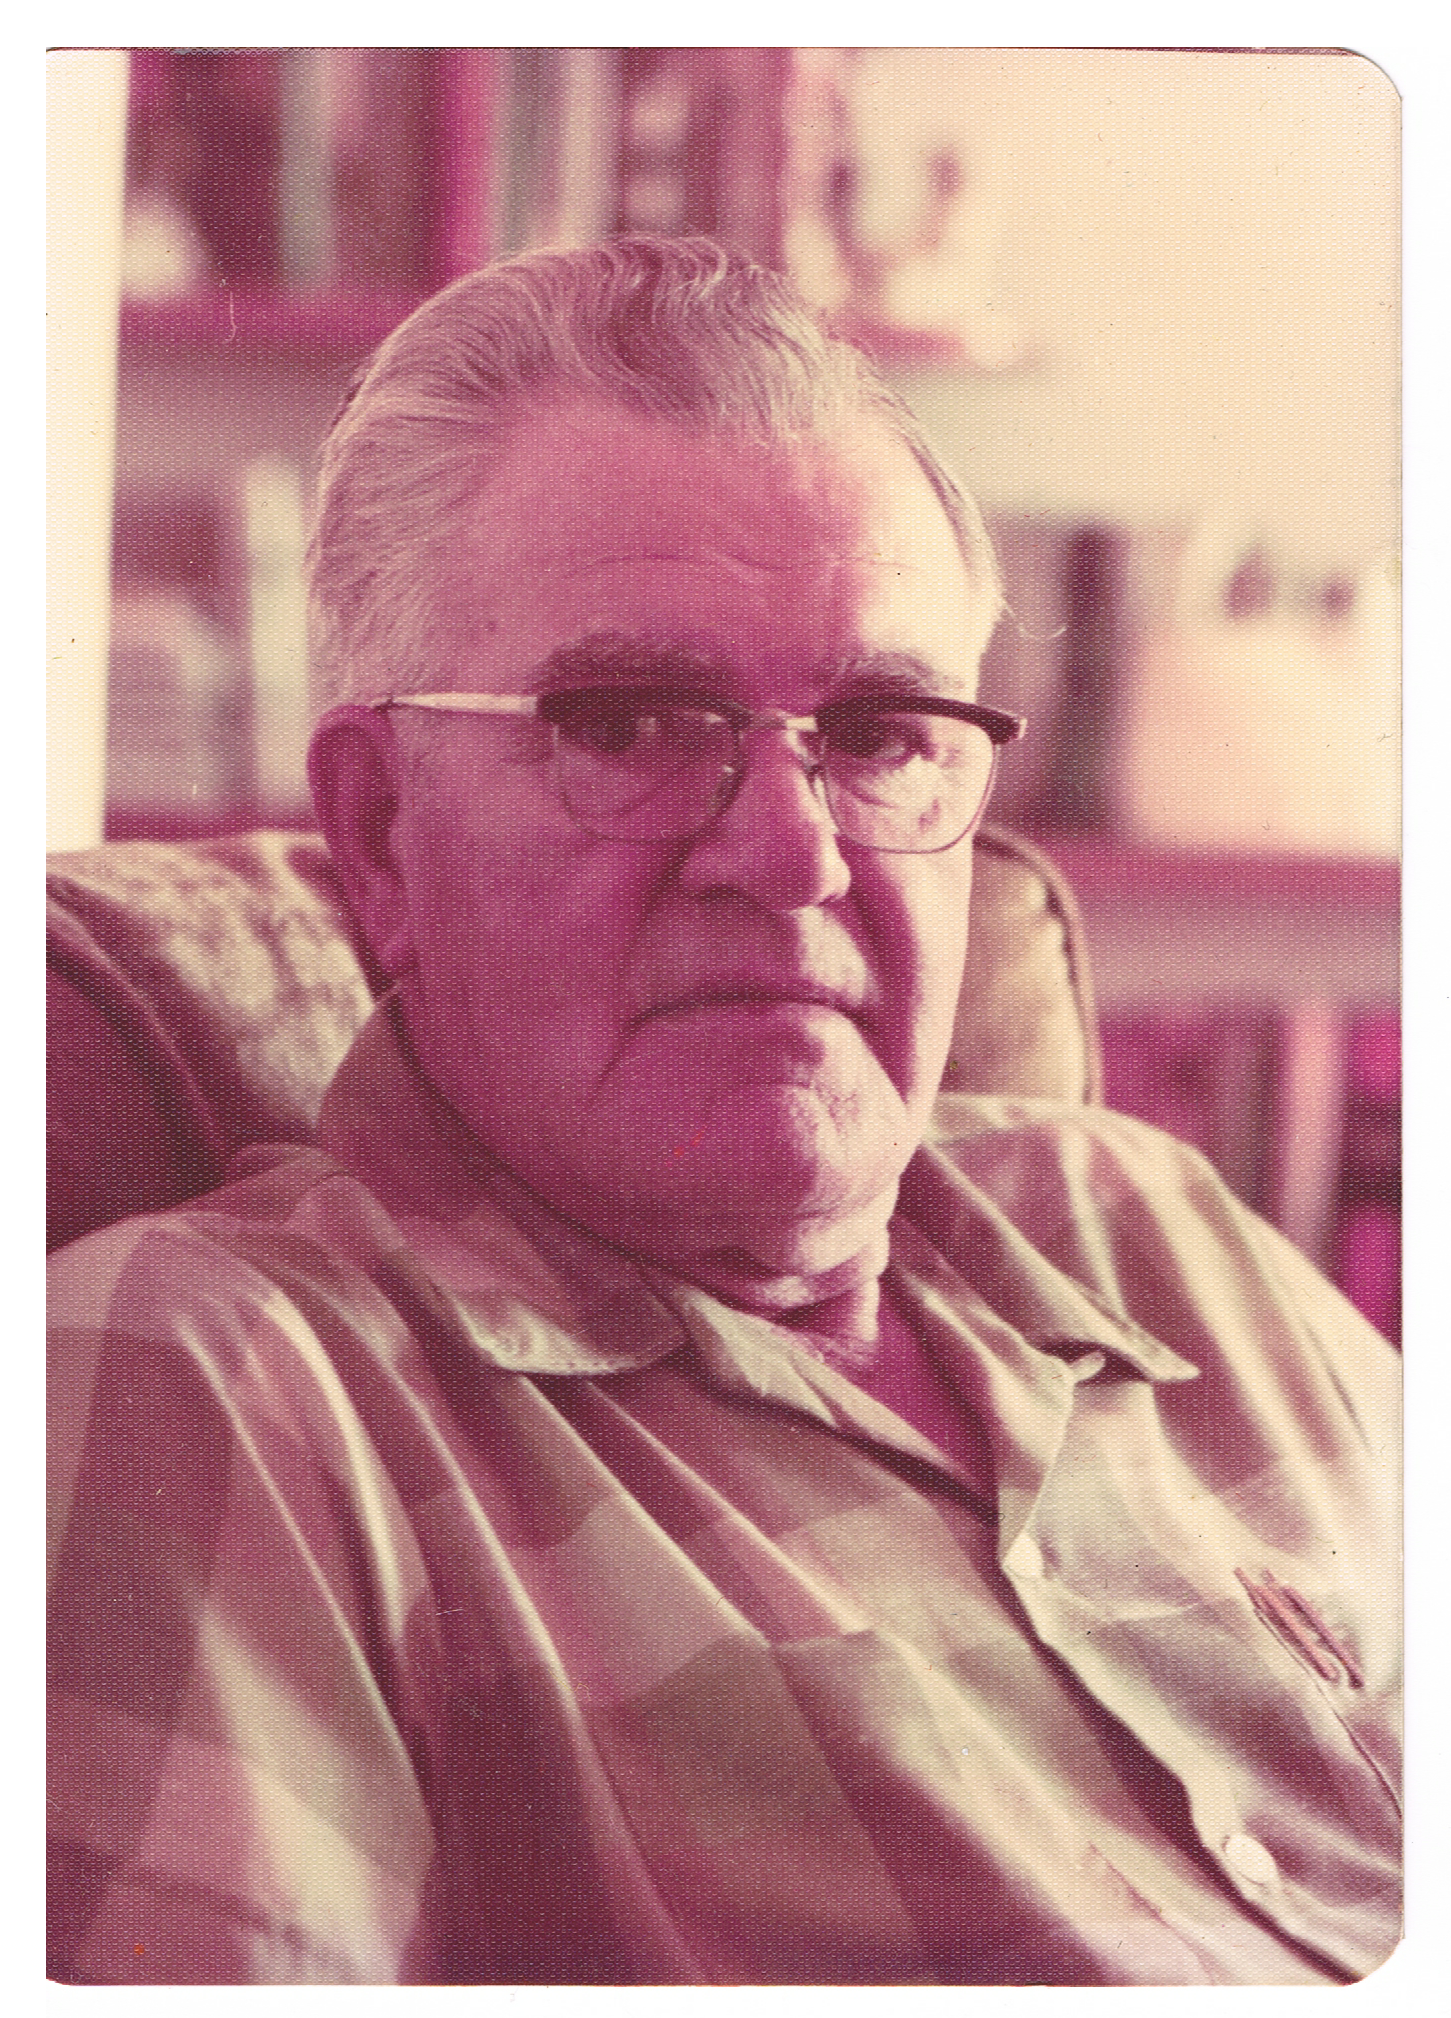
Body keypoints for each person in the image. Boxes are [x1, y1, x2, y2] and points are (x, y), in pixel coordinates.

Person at [47, 236, 1400, 1986]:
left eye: (880, 728)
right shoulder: (226, 1387)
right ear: (380, 832)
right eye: (629, 725)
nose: (789, 851)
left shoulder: (1147, 1220)